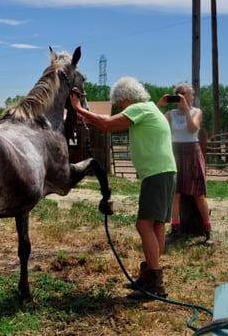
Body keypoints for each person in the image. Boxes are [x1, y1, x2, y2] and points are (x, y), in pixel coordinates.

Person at [70, 76, 176, 298]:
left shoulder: (139, 108)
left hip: (157, 174)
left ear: (127, 98)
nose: (119, 108)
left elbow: (107, 124)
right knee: (156, 225)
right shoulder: (149, 109)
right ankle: (150, 275)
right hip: (164, 172)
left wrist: (79, 108)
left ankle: (155, 282)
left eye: (119, 103)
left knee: (143, 225)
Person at [157, 82, 213, 245]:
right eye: (178, 93)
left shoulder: (197, 112)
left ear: (191, 96)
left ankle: (208, 231)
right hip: (175, 152)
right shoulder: (170, 113)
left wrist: (187, 110)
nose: (181, 95)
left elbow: (192, 128)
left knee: (198, 194)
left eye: (184, 93)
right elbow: (154, 120)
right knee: (175, 194)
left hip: (192, 152)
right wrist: (159, 105)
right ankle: (175, 230)